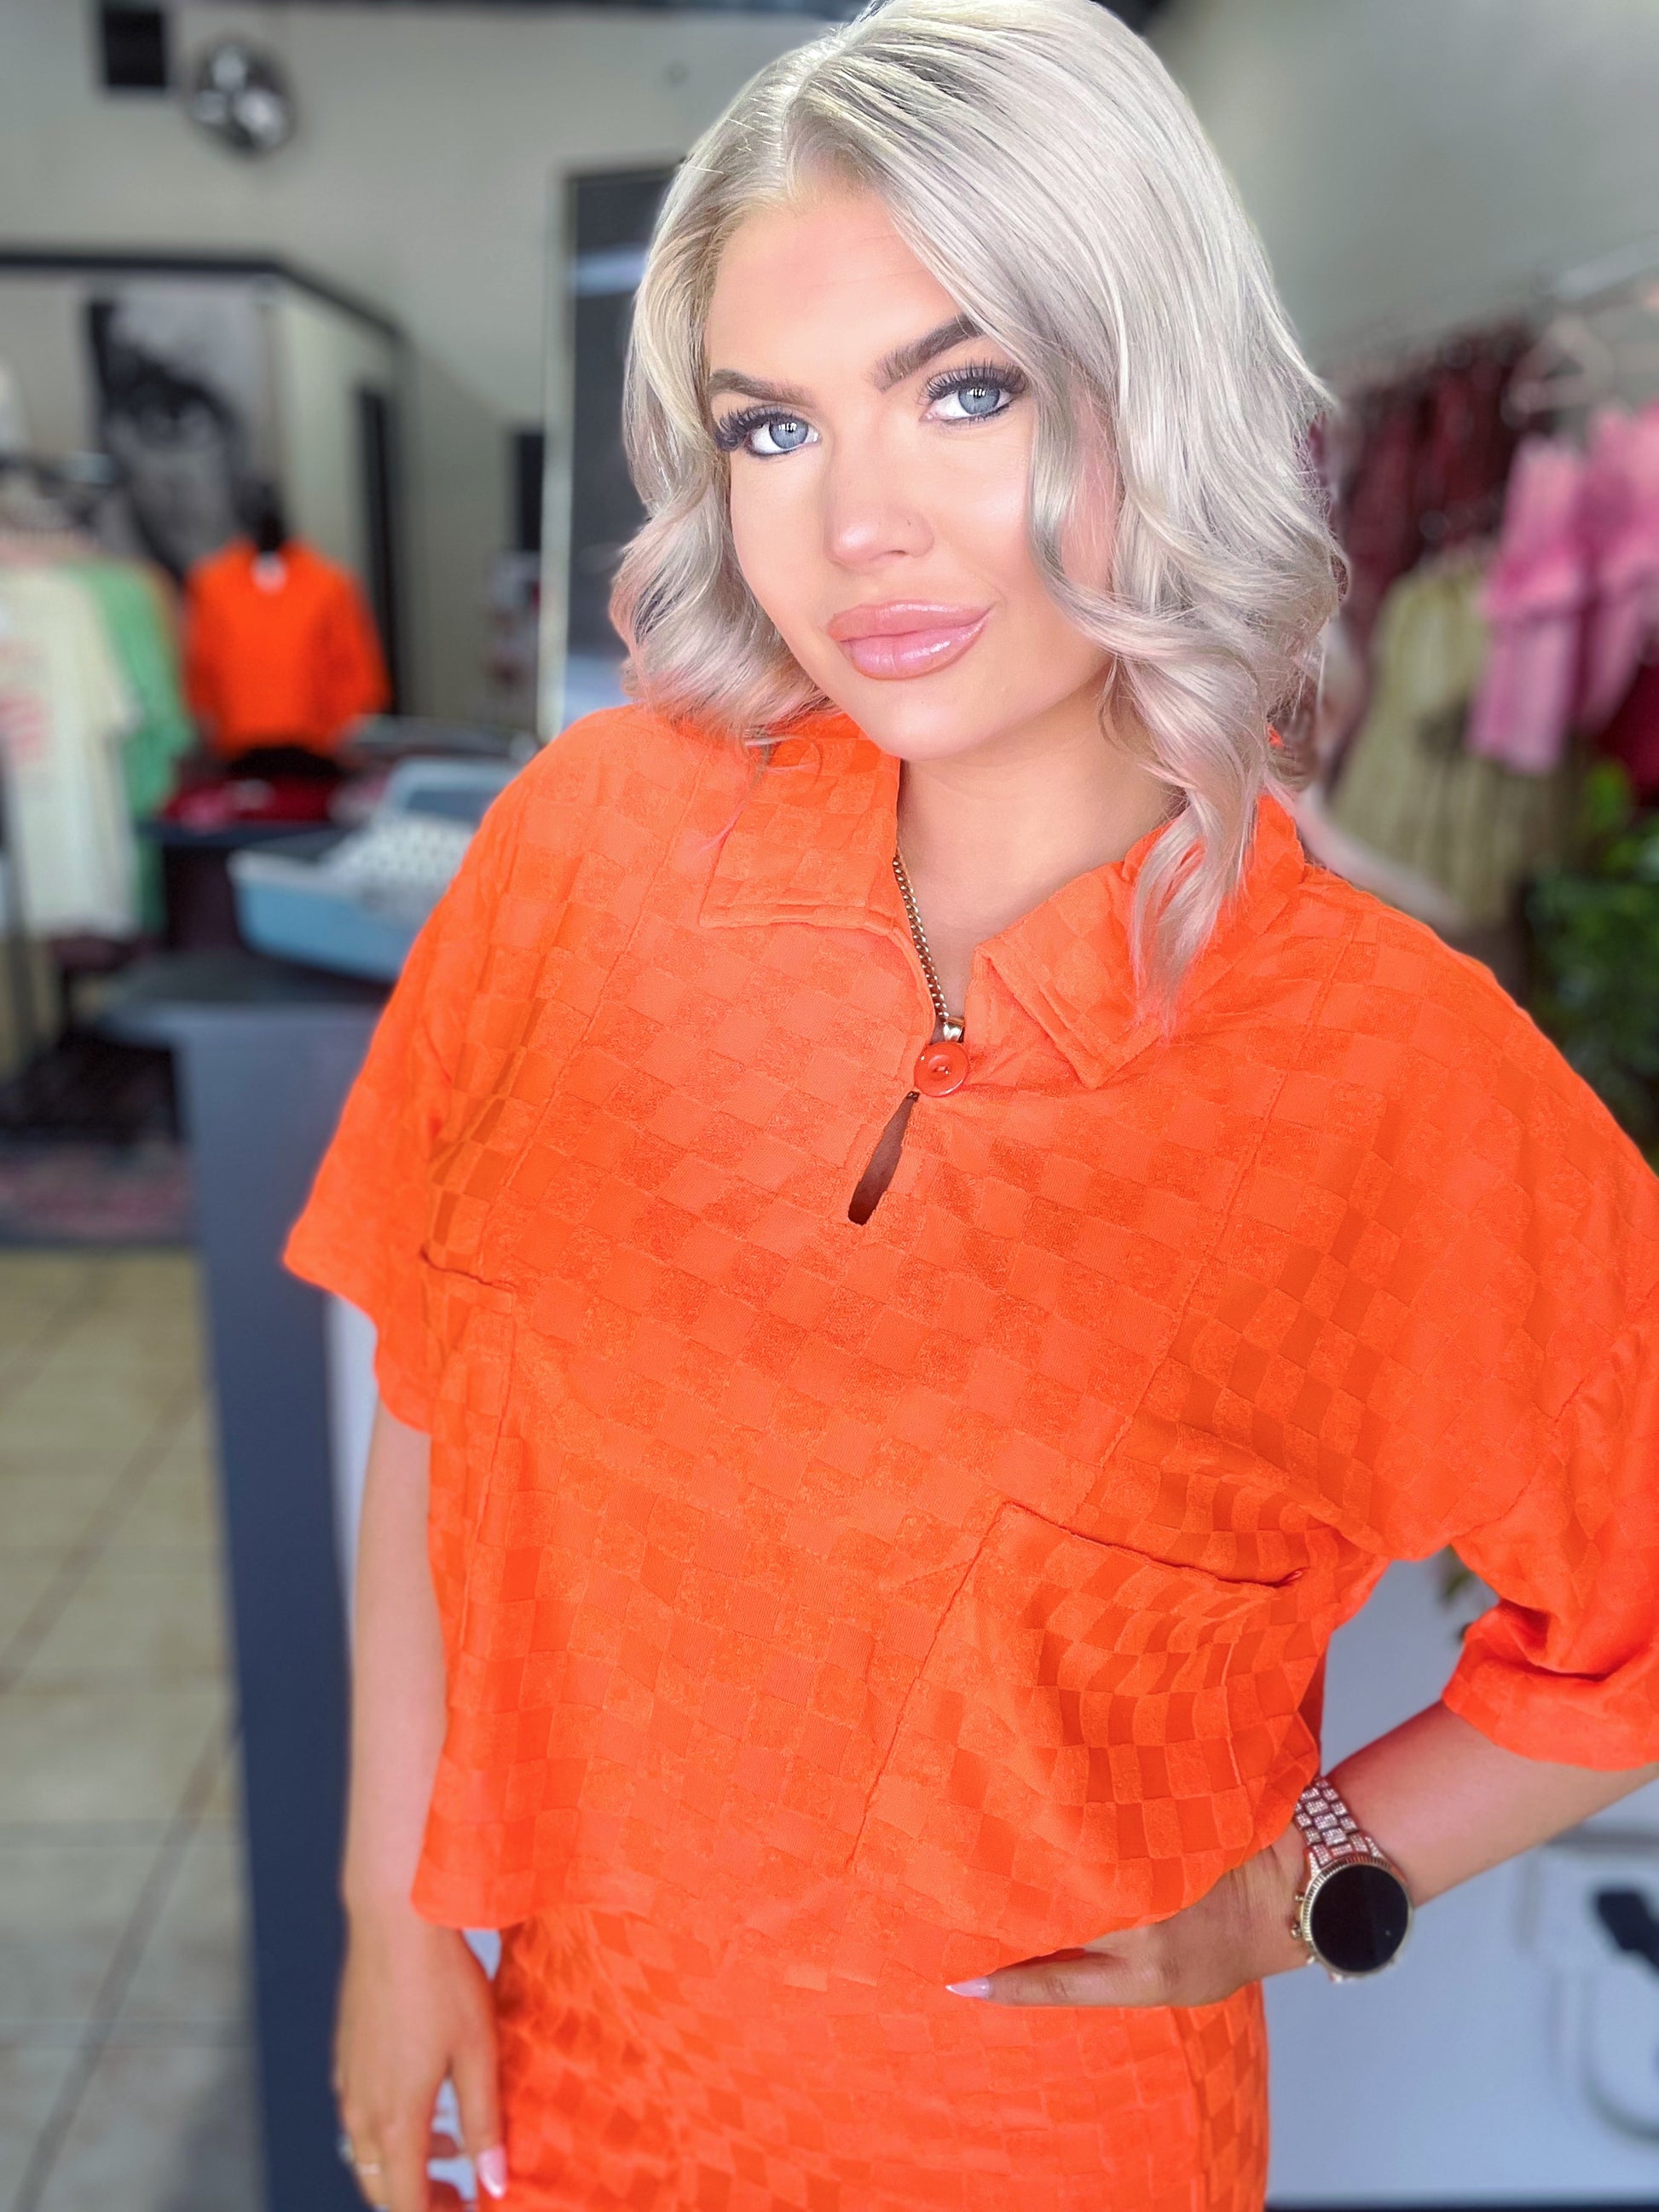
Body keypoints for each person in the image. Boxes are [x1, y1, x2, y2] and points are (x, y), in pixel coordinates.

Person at [284, 3, 1659, 2206]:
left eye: (965, 389)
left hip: (1029, 2138)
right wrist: (388, 1912)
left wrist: (1308, 1874)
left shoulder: (1388, 1079)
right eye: (771, 426)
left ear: (1153, 392)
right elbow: (437, 1398)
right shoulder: (587, 848)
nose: (859, 527)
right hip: (571, 2078)